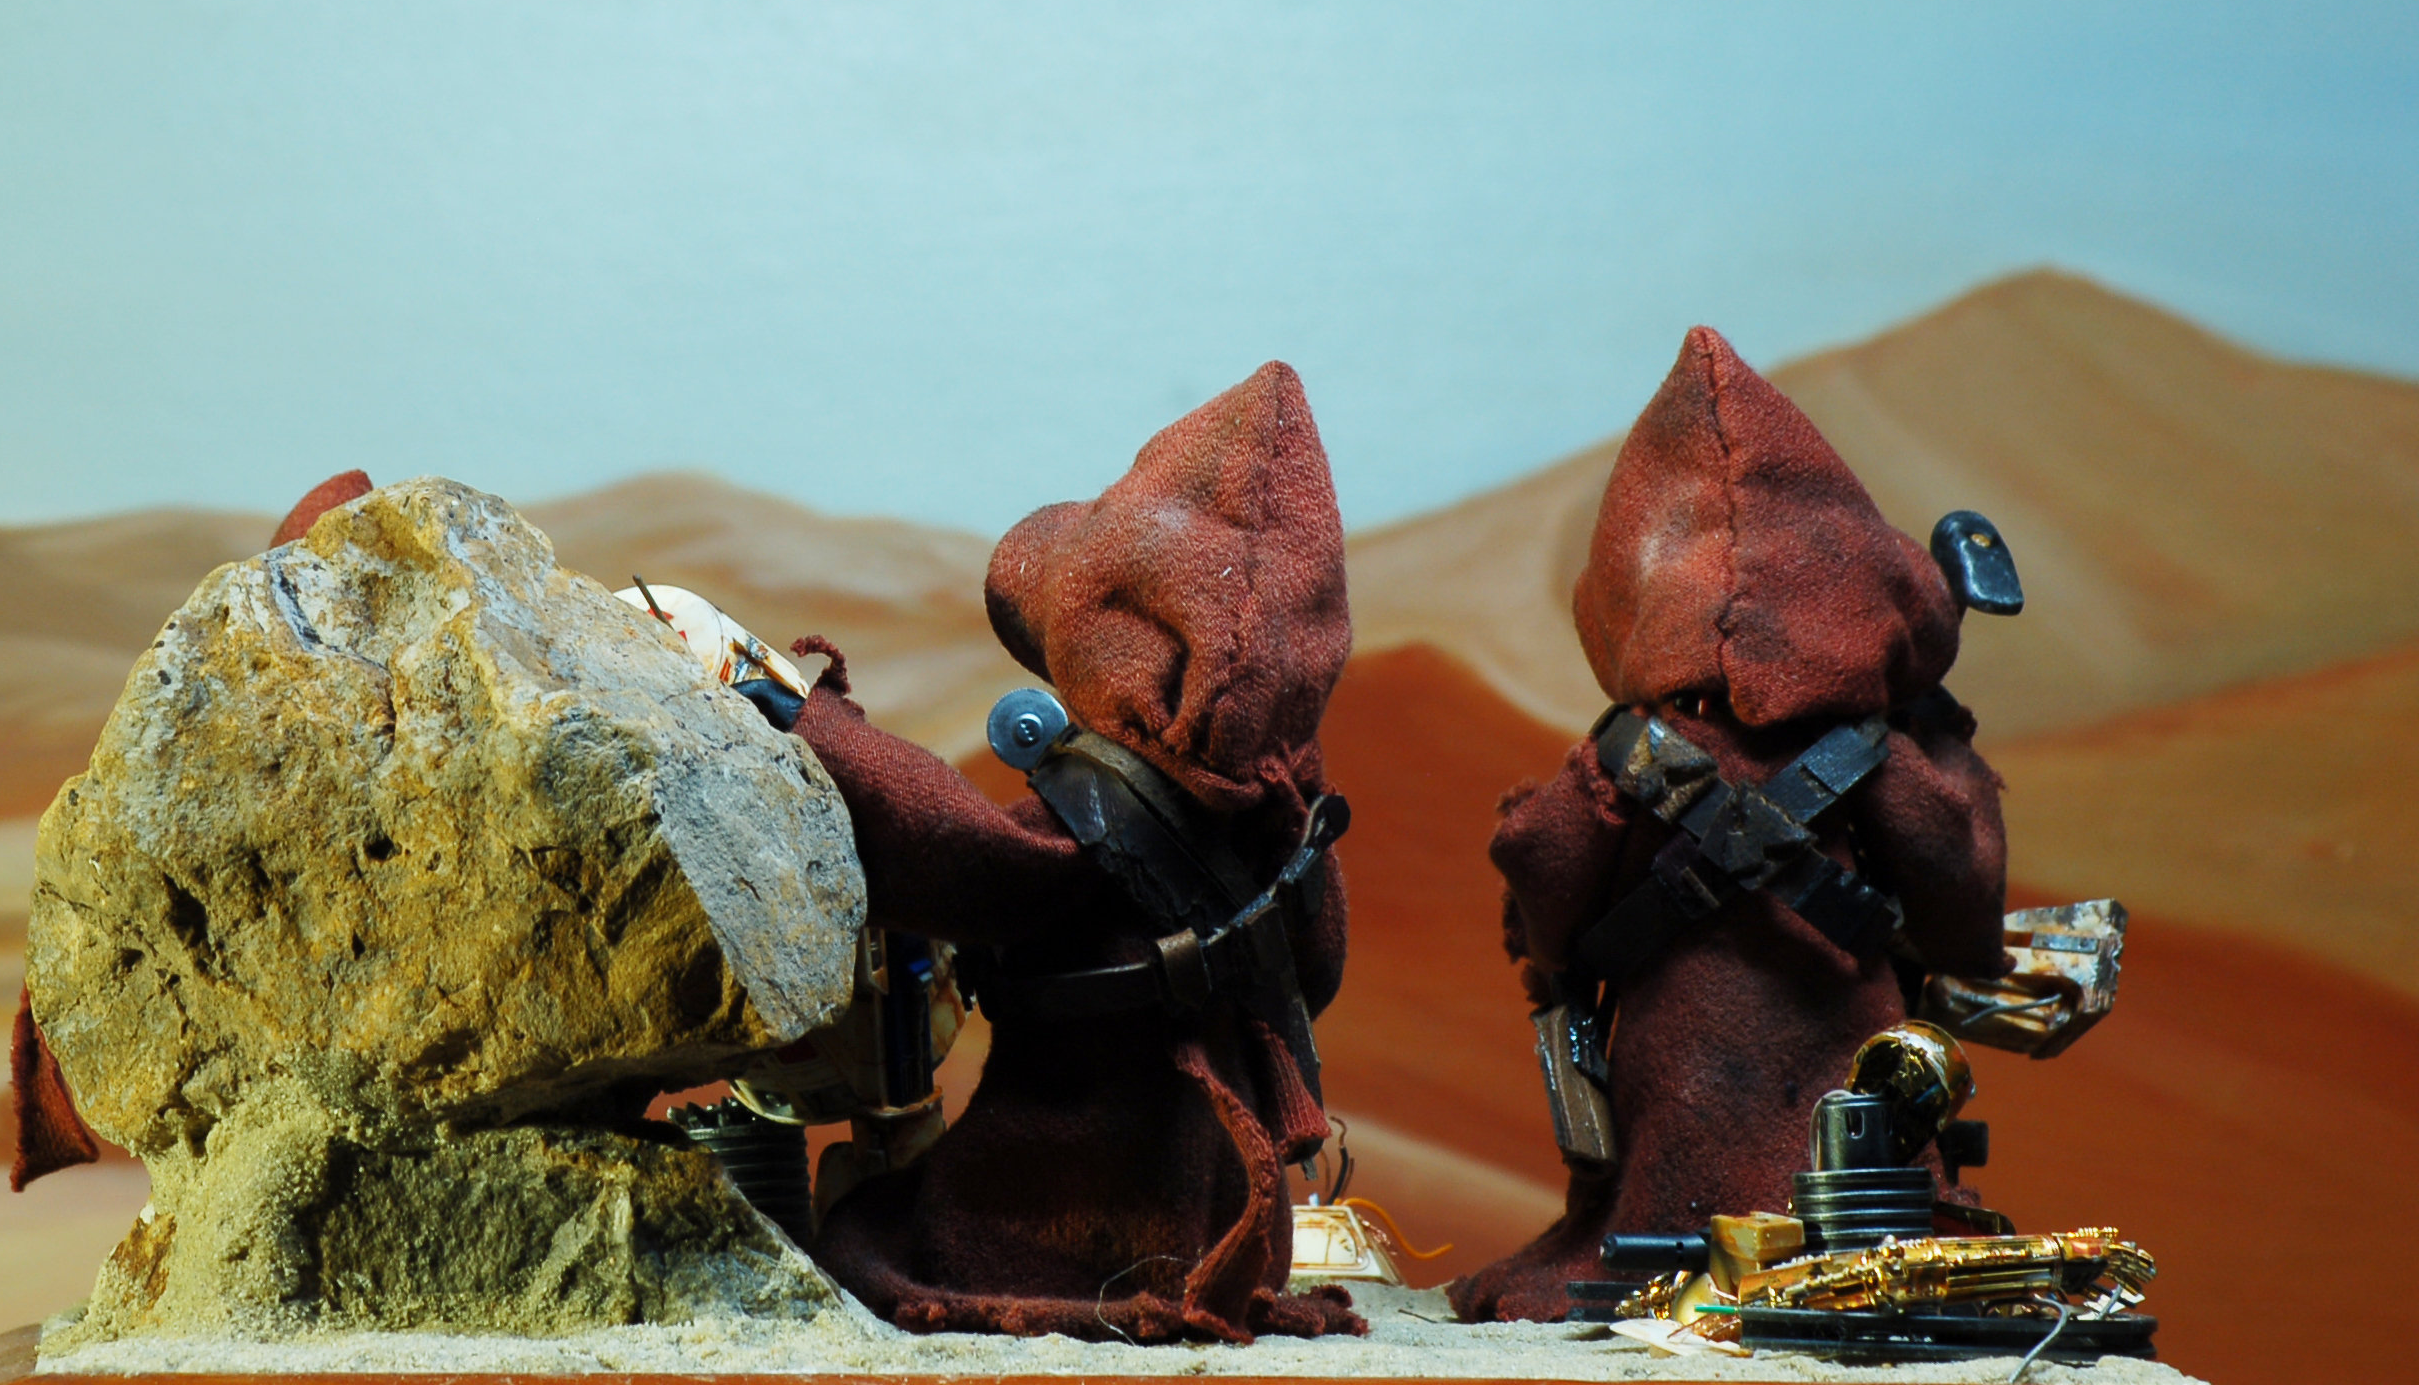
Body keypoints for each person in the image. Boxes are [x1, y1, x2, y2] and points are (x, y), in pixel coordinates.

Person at [789, 362, 1363, 1342]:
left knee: (869, 1226)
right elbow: (1321, 968)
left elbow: (952, 853)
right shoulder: (1288, 824)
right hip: (1233, 1222)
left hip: (1053, 1211)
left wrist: (819, 728)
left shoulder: (1093, 821)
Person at [1451, 329, 2010, 1321]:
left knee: (1678, 1184)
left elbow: (1541, 878)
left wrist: (1556, 947)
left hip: (1672, 1077)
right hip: (1848, 1074)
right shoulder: (1884, 760)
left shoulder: (1621, 759)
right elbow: (1960, 900)